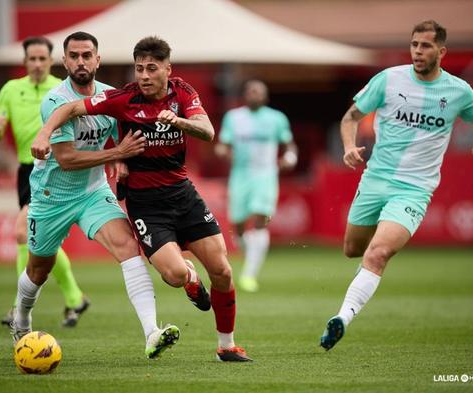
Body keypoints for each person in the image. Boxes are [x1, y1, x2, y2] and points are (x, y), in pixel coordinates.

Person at [32, 36, 253, 362]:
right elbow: (71, 108)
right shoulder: (123, 99)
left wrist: (178, 121)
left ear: (167, 69)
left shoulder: (183, 93)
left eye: (152, 68)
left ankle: (227, 346)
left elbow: (207, 131)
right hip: (146, 204)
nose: (145, 75)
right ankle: (189, 277)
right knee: (175, 275)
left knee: (222, 271)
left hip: (183, 194)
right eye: (139, 69)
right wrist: (44, 132)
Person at [319, 20, 473, 351]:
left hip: (414, 189)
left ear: (441, 52)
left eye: (426, 46)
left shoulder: (458, 91)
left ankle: (342, 317)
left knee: (378, 252)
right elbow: (351, 117)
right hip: (375, 179)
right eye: (415, 44)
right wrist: (348, 147)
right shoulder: (389, 79)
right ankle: (368, 266)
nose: (418, 51)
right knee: (353, 249)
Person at [10, 32, 180, 359]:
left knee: (129, 248)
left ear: (98, 60)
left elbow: (120, 138)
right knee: (38, 270)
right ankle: (21, 317)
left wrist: (121, 158)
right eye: (74, 56)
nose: (81, 61)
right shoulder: (55, 101)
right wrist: (115, 153)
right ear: (65, 61)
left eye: (87, 55)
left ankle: (151, 332)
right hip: (51, 197)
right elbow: (67, 159)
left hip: (92, 192)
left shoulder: (110, 97)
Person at [0, 36, 89, 328]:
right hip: (25, 169)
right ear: (24, 62)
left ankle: (20, 306)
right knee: (42, 240)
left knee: (23, 232)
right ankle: (74, 298)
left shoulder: (61, 90)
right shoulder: (10, 89)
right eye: (32, 59)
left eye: (42, 59)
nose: (37, 64)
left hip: (52, 168)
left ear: (51, 61)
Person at [215, 80, 297, 293]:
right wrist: (222, 151)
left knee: (261, 218)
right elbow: (223, 144)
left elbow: (289, 145)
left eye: (259, 92)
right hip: (240, 176)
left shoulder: (276, 118)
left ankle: (249, 275)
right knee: (239, 224)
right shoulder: (233, 118)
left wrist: (290, 157)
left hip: (266, 175)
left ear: (265, 96)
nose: (255, 95)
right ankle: (249, 254)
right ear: (245, 95)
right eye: (251, 91)